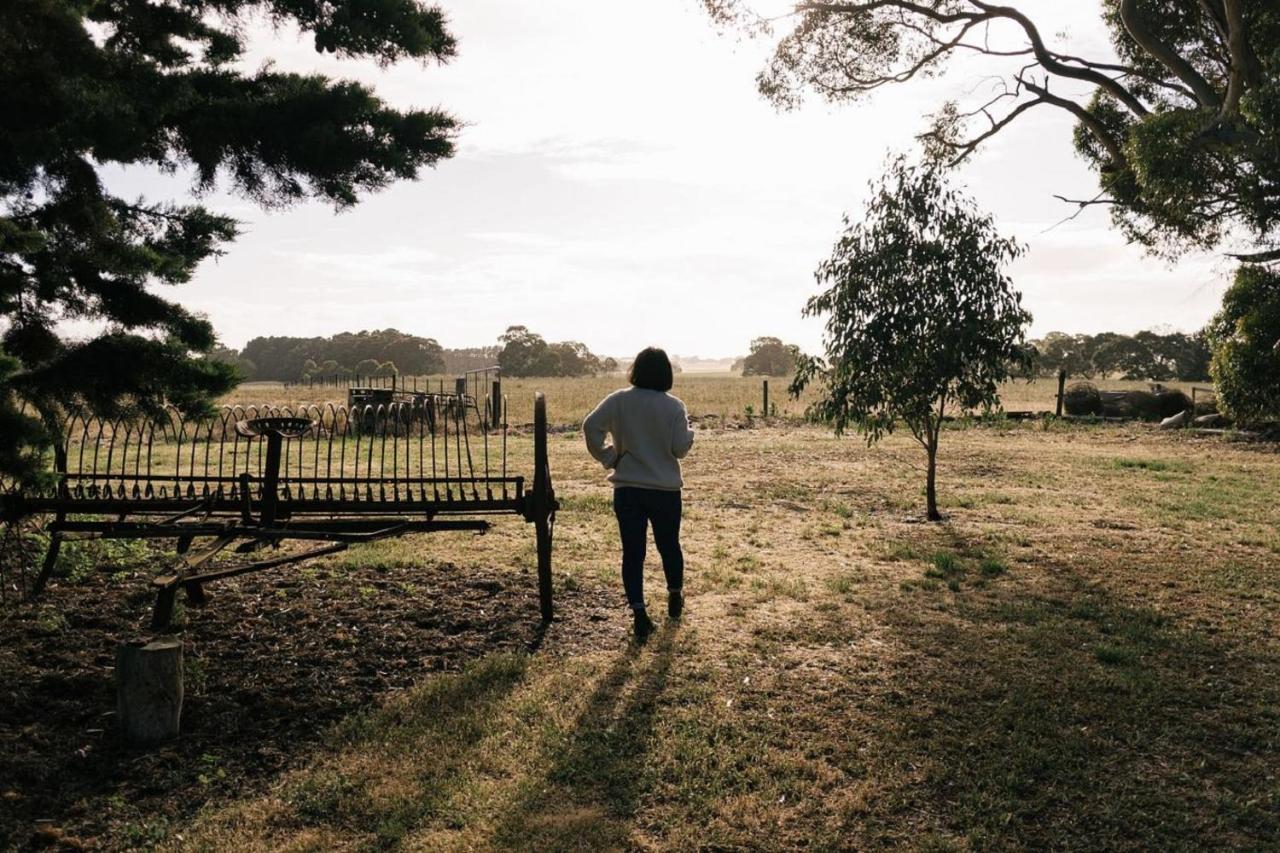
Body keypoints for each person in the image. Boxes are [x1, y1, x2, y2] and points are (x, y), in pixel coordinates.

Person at [583, 347, 695, 644]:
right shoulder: (674, 406)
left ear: (636, 370)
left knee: (633, 553)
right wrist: (691, 434)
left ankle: (639, 614)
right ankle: (674, 594)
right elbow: (679, 449)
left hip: (628, 488)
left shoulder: (618, 401)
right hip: (664, 490)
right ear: (666, 373)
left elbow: (590, 426)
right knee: (669, 545)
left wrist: (608, 456)